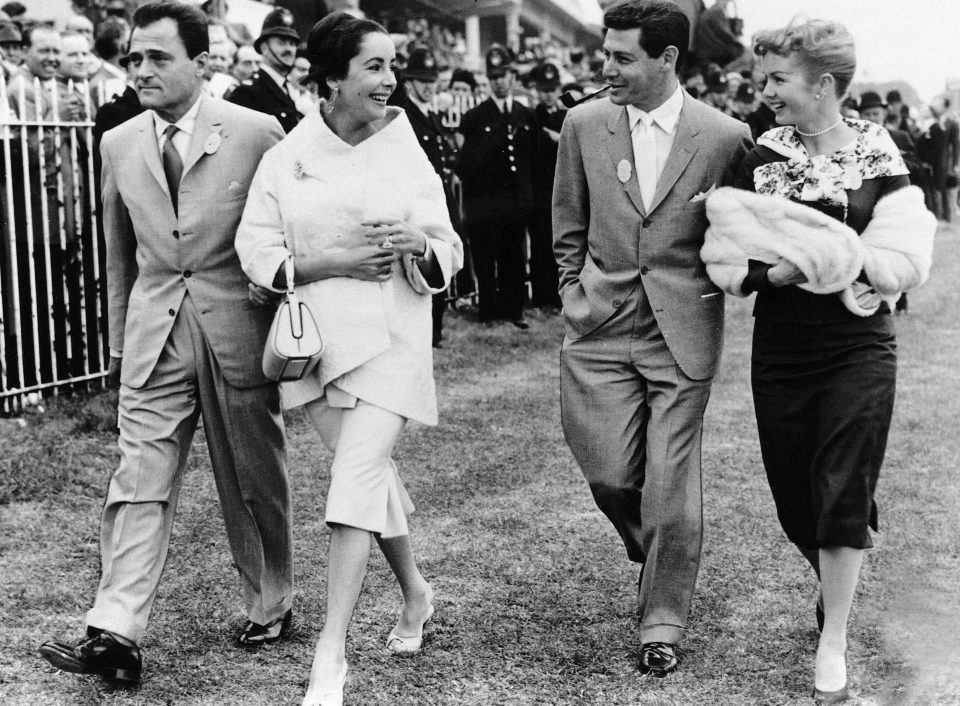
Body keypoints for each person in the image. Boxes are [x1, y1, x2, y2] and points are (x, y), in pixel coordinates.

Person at [38, 0, 294, 686]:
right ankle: (115, 630)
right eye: (133, 58)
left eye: (158, 57)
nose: (141, 69)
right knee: (138, 481)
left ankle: (271, 601)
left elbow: (281, 233)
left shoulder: (256, 131)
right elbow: (117, 255)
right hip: (156, 335)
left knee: (250, 475)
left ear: (201, 62)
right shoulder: (118, 142)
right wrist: (122, 341)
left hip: (238, 327)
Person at [702, 18, 934, 703]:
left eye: (777, 79)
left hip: (857, 346)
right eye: (761, 77)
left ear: (823, 84)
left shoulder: (878, 154)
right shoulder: (761, 155)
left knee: (840, 489)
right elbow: (725, 249)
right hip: (781, 346)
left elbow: (903, 259)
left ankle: (833, 638)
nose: (763, 90)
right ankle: (838, 564)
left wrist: (834, 256)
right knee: (796, 501)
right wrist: (773, 273)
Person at [235, 12, 462, 706]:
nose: (391, 79)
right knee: (366, 483)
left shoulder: (403, 145)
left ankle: (329, 659)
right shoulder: (286, 155)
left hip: (394, 340)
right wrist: (330, 260)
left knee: (353, 484)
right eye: (374, 66)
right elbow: (255, 249)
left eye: (392, 65)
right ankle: (416, 593)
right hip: (317, 348)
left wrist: (419, 244)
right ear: (331, 77)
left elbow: (447, 247)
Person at [554, 0, 752, 678]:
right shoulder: (582, 124)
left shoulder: (725, 136)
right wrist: (573, 292)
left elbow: (740, 230)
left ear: (667, 59)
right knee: (609, 472)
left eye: (620, 56)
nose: (604, 66)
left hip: (683, 331)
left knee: (671, 482)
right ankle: (660, 552)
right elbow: (566, 227)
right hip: (599, 325)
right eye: (604, 53)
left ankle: (661, 621)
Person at [455, 44, 537, 329]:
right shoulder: (475, 117)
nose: (499, 81)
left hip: (516, 202)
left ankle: (514, 310)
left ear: (513, 76)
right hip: (487, 204)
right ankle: (489, 312)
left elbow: (533, 161)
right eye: (493, 77)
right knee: (487, 259)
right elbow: (464, 164)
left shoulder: (526, 115)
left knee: (514, 257)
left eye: (503, 75)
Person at [396, 47, 461, 348]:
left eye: (431, 80)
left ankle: (436, 331)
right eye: (421, 80)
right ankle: (429, 333)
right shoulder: (405, 117)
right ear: (408, 82)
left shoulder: (432, 116)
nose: (427, 86)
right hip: (416, 203)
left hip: (438, 201)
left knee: (439, 261)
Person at [227, 7, 301, 133]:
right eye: (282, 42)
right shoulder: (248, 91)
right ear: (264, 48)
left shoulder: (286, 88)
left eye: (292, 43)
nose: (289, 49)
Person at [527, 60, 564, 309]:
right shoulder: (532, 117)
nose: (548, 94)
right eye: (544, 89)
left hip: (564, 191)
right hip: (540, 191)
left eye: (552, 89)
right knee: (541, 244)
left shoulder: (568, 116)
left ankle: (561, 296)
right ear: (537, 90)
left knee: (563, 246)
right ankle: (542, 297)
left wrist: (557, 138)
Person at [918, 96, 959, 221]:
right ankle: (938, 215)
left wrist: (955, 164)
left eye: (940, 104)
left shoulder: (952, 124)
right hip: (932, 160)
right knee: (934, 187)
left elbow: (955, 145)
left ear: (945, 107)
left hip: (944, 161)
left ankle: (947, 216)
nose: (936, 106)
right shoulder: (930, 122)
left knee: (944, 187)